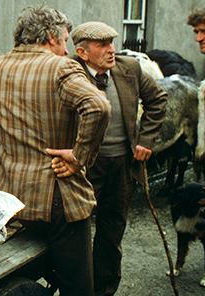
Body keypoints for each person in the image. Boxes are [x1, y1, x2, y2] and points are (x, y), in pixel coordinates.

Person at [0, 6, 111, 296]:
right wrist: (79, 157)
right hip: (55, 200)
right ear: (51, 37)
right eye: (64, 40)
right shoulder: (60, 68)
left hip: (12, 200)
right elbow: (98, 106)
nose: (66, 50)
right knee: (79, 286)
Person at [70, 21, 167, 296]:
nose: (112, 50)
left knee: (112, 233)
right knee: (77, 233)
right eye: (102, 45)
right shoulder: (69, 72)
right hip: (85, 167)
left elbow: (158, 99)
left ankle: (104, 290)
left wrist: (146, 140)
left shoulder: (129, 69)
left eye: (112, 42)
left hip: (122, 165)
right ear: (82, 52)